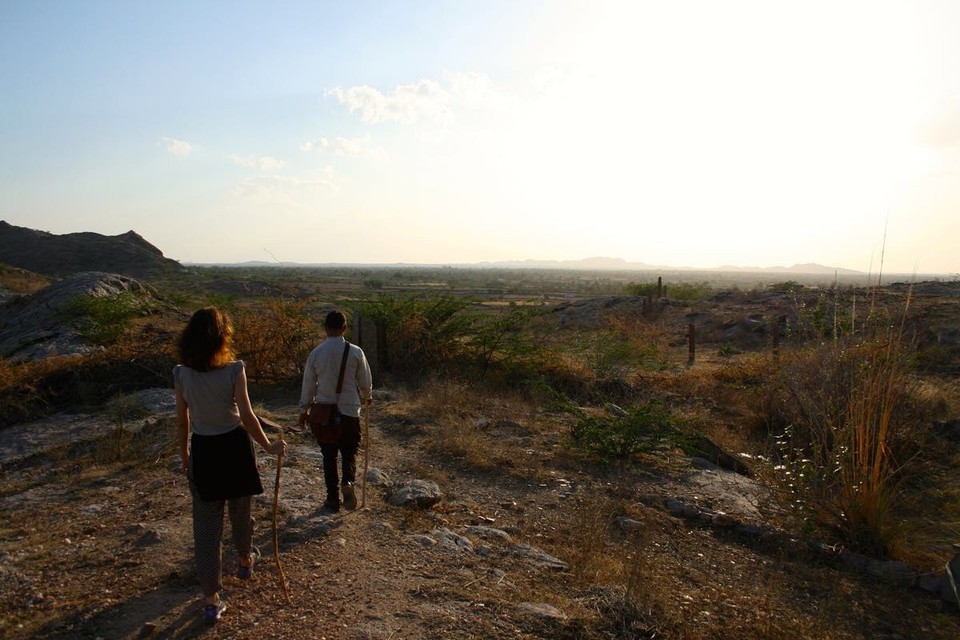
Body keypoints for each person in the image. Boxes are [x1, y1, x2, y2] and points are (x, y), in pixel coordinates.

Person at [174, 307, 286, 625]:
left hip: (205, 451)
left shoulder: (181, 374)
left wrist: (185, 456)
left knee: (207, 530)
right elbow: (248, 417)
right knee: (241, 512)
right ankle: (244, 559)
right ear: (223, 337)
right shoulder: (235, 369)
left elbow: (182, 423)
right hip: (235, 449)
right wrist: (269, 446)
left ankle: (211, 600)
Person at [299, 310, 373, 512]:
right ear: (344, 328)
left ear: (325, 328)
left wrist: (304, 409)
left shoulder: (316, 353)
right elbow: (365, 379)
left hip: (324, 415)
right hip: (349, 411)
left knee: (328, 455)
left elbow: (309, 385)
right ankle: (347, 482)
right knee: (349, 452)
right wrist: (367, 395)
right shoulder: (356, 351)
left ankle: (332, 498)